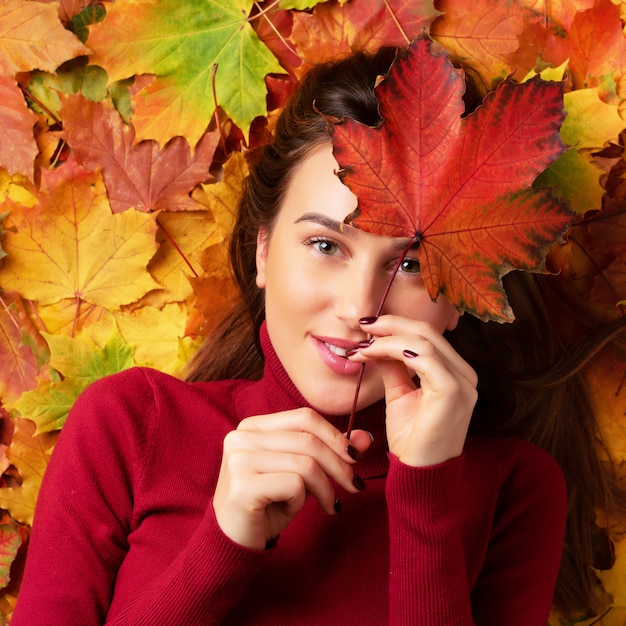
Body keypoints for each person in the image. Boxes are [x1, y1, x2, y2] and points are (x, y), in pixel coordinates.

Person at [11, 46, 624, 625]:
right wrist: (221, 545)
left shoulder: (517, 487)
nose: (360, 305)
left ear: (466, 291)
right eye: (325, 245)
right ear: (262, 251)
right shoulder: (128, 425)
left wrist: (425, 500)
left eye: (410, 263)